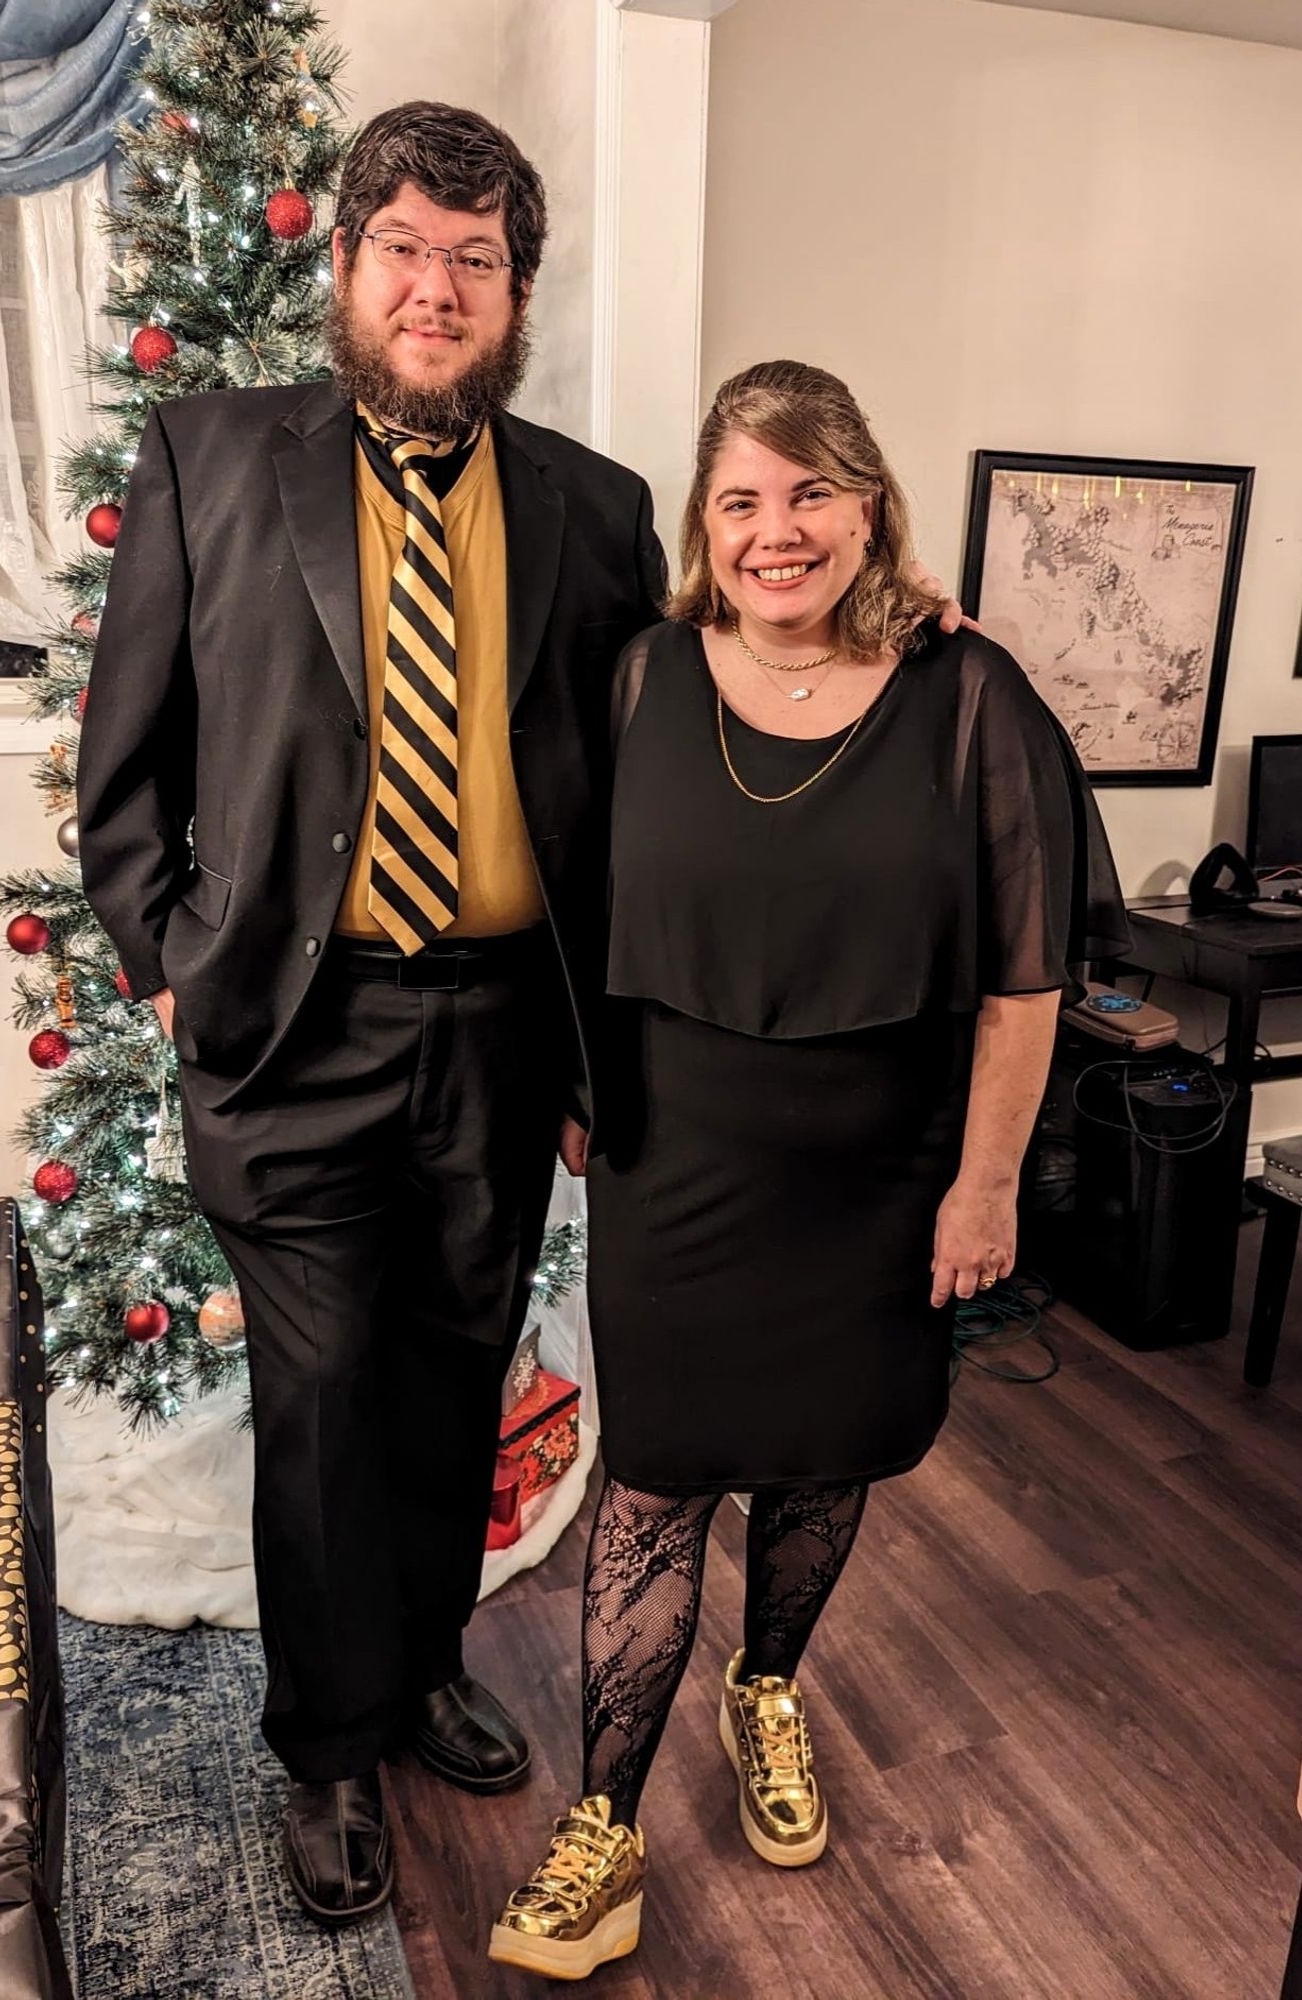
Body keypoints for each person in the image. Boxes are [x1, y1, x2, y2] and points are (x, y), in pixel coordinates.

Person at [75, 102, 669, 1927]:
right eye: (403, 245)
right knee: (322, 1398)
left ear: (515, 294)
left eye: (474, 259)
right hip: (290, 1031)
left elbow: (641, 787)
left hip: (498, 1031)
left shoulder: (600, 508)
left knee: (446, 1381)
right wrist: (172, 960)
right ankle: (328, 1748)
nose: (436, 286)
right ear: (345, 268)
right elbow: (127, 762)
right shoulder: (211, 455)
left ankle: (415, 1668)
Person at [490, 360, 1130, 1980]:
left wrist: (985, 1186)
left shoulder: (968, 693)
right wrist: (571, 1086)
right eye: (740, 501)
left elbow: (1025, 975)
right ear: (705, 528)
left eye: (809, 492)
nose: (777, 531)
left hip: (881, 1169)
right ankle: (605, 1824)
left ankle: (767, 1687)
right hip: (677, 1160)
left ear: (864, 504)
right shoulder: (639, 676)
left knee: (823, 1464)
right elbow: (567, 901)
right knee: (652, 1488)